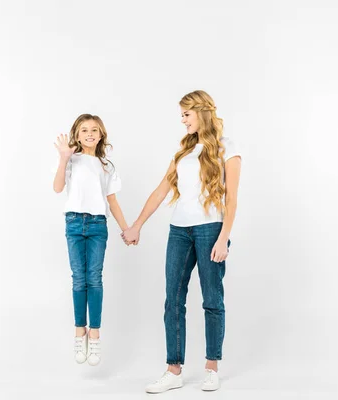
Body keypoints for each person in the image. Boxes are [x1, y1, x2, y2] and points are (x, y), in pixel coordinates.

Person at [121, 90, 242, 392]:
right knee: (172, 300)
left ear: (201, 112)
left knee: (212, 299)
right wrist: (137, 224)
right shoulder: (185, 151)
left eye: (186, 114)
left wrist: (224, 237)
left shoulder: (227, 148)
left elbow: (232, 199)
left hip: (210, 229)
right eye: (182, 115)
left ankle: (211, 367)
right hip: (179, 230)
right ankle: (173, 371)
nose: (182, 120)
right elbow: (161, 190)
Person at [53, 113, 129, 366]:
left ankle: (94, 334)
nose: (89, 133)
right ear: (77, 134)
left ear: (101, 134)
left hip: (97, 225)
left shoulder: (107, 166)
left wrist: (126, 228)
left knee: (94, 278)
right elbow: (57, 187)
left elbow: (113, 202)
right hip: (74, 223)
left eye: (94, 129)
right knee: (79, 278)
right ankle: (79, 331)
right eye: (84, 129)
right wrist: (63, 158)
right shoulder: (72, 159)